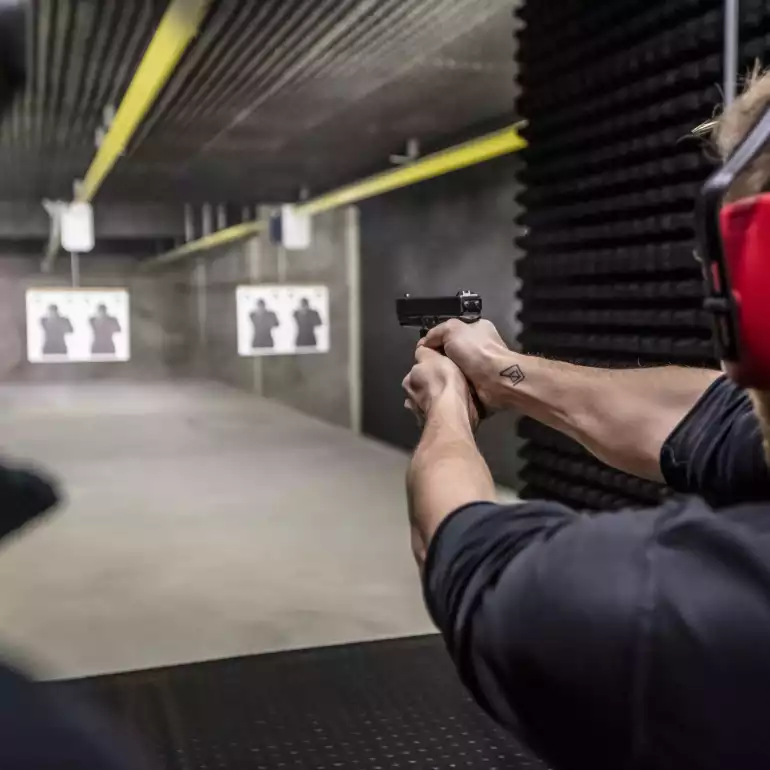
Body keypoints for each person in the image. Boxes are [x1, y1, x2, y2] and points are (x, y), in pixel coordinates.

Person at [402, 70, 770, 770]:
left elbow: (462, 546)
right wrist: (502, 371)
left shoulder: (671, 614)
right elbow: (707, 420)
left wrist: (447, 406)